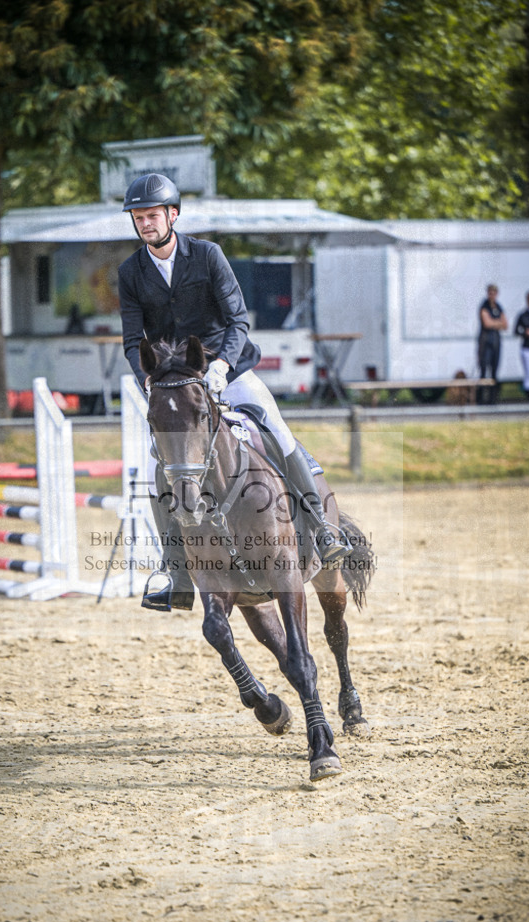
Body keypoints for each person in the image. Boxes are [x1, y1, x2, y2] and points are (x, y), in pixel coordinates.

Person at [118, 172, 351, 611]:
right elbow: (133, 340)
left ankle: (323, 528)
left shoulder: (206, 255)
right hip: (174, 383)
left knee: (277, 432)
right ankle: (175, 571)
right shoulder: (130, 272)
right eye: (138, 217)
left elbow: (238, 319)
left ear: (172, 214)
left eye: (152, 215)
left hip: (229, 368)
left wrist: (222, 365)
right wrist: (148, 379)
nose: (145, 223)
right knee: (157, 467)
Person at [477, 284, 508, 404]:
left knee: (495, 370)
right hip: (485, 342)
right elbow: (486, 323)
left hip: (496, 342)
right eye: (490, 292)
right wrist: (498, 322)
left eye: (494, 292)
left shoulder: (499, 307)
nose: (492, 295)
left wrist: (494, 322)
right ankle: (482, 398)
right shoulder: (484, 306)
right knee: (484, 370)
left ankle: (493, 398)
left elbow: (505, 325)